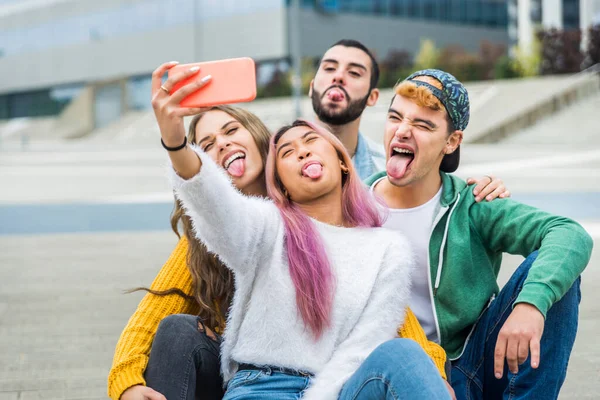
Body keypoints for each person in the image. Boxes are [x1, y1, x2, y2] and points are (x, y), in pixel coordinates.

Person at [108, 62, 452, 400]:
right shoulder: (249, 228)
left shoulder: (367, 241)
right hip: (254, 377)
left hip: (335, 382)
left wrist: (431, 371)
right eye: (207, 144)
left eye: (230, 132)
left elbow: (387, 320)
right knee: (177, 329)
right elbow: (211, 205)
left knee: (403, 354)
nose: (223, 145)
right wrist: (176, 144)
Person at [365, 68, 594, 399]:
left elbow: (569, 234)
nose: (402, 131)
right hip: (395, 371)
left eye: (423, 124)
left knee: (557, 274)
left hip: (471, 362)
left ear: (451, 141)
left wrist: (530, 304)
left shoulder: (472, 203)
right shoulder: (352, 206)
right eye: (395, 117)